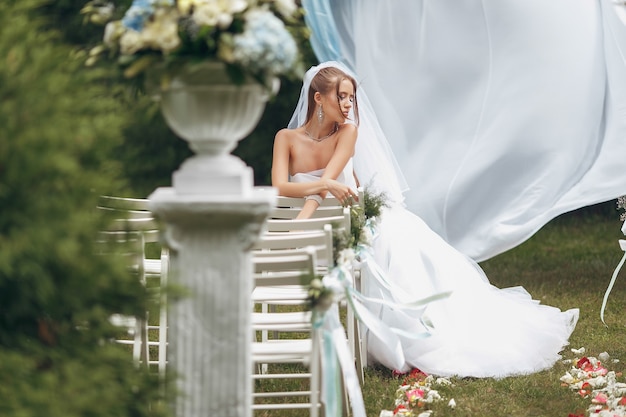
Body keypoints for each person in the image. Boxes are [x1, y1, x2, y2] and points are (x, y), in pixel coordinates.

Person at [271, 61, 579, 378]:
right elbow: (282, 186)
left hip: (355, 222)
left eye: (352, 98)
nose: (349, 106)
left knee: (398, 246)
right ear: (318, 98)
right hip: (324, 230)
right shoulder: (286, 138)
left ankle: (421, 335)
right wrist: (316, 198)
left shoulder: (348, 133)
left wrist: (301, 222)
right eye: (342, 98)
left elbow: (328, 183)